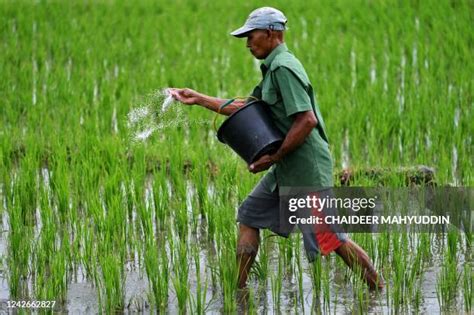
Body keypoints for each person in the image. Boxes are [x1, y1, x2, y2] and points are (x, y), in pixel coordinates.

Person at [170, 7, 384, 291]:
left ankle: (378, 290)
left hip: (306, 168)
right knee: (249, 215)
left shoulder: (284, 67)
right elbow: (247, 108)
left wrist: (274, 157)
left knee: (330, 238)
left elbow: (306, 120)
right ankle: (238, 290)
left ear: (270, 33)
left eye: (251, 36)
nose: (247, 43)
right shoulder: (272, 69)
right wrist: (198, 98)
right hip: (287, 166)